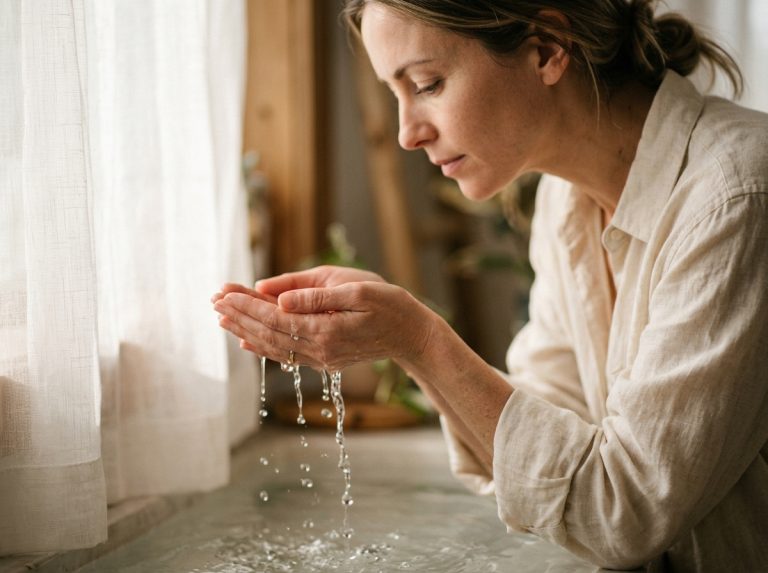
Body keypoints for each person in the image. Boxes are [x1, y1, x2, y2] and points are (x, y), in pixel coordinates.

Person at [212, 0, 768, 570]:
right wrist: (397, 343)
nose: (407, 132)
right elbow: (549, 436)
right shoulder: (565, 201)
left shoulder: (736, 197)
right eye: (394, 92)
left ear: (547, 48)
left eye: (427, 83)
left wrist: (420, 341)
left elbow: (622, 514)